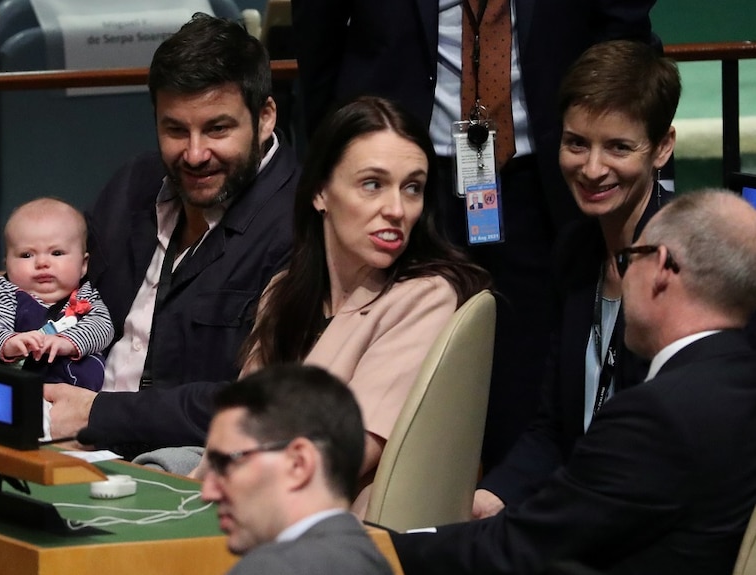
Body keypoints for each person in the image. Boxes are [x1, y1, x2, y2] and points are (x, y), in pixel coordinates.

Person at [292, 0, 658, 468]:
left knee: (528, 389)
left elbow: (621, 26)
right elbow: (317, 30)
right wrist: (335, 154)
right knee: (393, 372)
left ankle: (505, 508)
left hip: (539, 178)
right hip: (403, 171)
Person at [119, 95, 491, 512]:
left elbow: (340, 457)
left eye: (412, 188)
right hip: (250, 513)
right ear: (320, 193)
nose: (396, 209)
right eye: (373, 185)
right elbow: (236, 431)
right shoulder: (284, 291)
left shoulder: (425, 295)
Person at [0, 14, 299, 454]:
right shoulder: (136, 182)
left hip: (177, 460)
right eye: (175, 129)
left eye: (217, 128)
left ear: (265, 117)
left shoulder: (299, 226)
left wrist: (96, 414)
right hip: (60, 430)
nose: (194, 154)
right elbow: (47, 273)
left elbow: (266, 407)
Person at [391, 189, 756, 574]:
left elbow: (520, 547)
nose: (623, 274)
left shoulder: (656, 415)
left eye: (628, 259)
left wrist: (382, 548)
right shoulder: (739, 384)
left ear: (661, 267)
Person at [472, 40, 679, 518]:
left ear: (663, 147)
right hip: (580, 509)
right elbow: (551, 428)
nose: (591, 168)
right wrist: (490, 497)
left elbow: (671, 456)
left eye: (618, 147)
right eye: (576, 143)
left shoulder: (681, 270)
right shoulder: (574, 250)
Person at [201, 363, 394, 575]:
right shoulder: (372, 560)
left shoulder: (272, 569)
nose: (208, 492)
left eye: (226, 463)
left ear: (298, 464)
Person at [0, 197, 114, 391]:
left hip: (79, 392)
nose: (42, 263)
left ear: (83, 265)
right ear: (6, 264)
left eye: (56, 253)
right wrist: (9, 342)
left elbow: (103, 327)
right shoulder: (4, 292)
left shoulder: (85, 295)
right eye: (26, 255)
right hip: (23, 386)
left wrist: (68, 342)